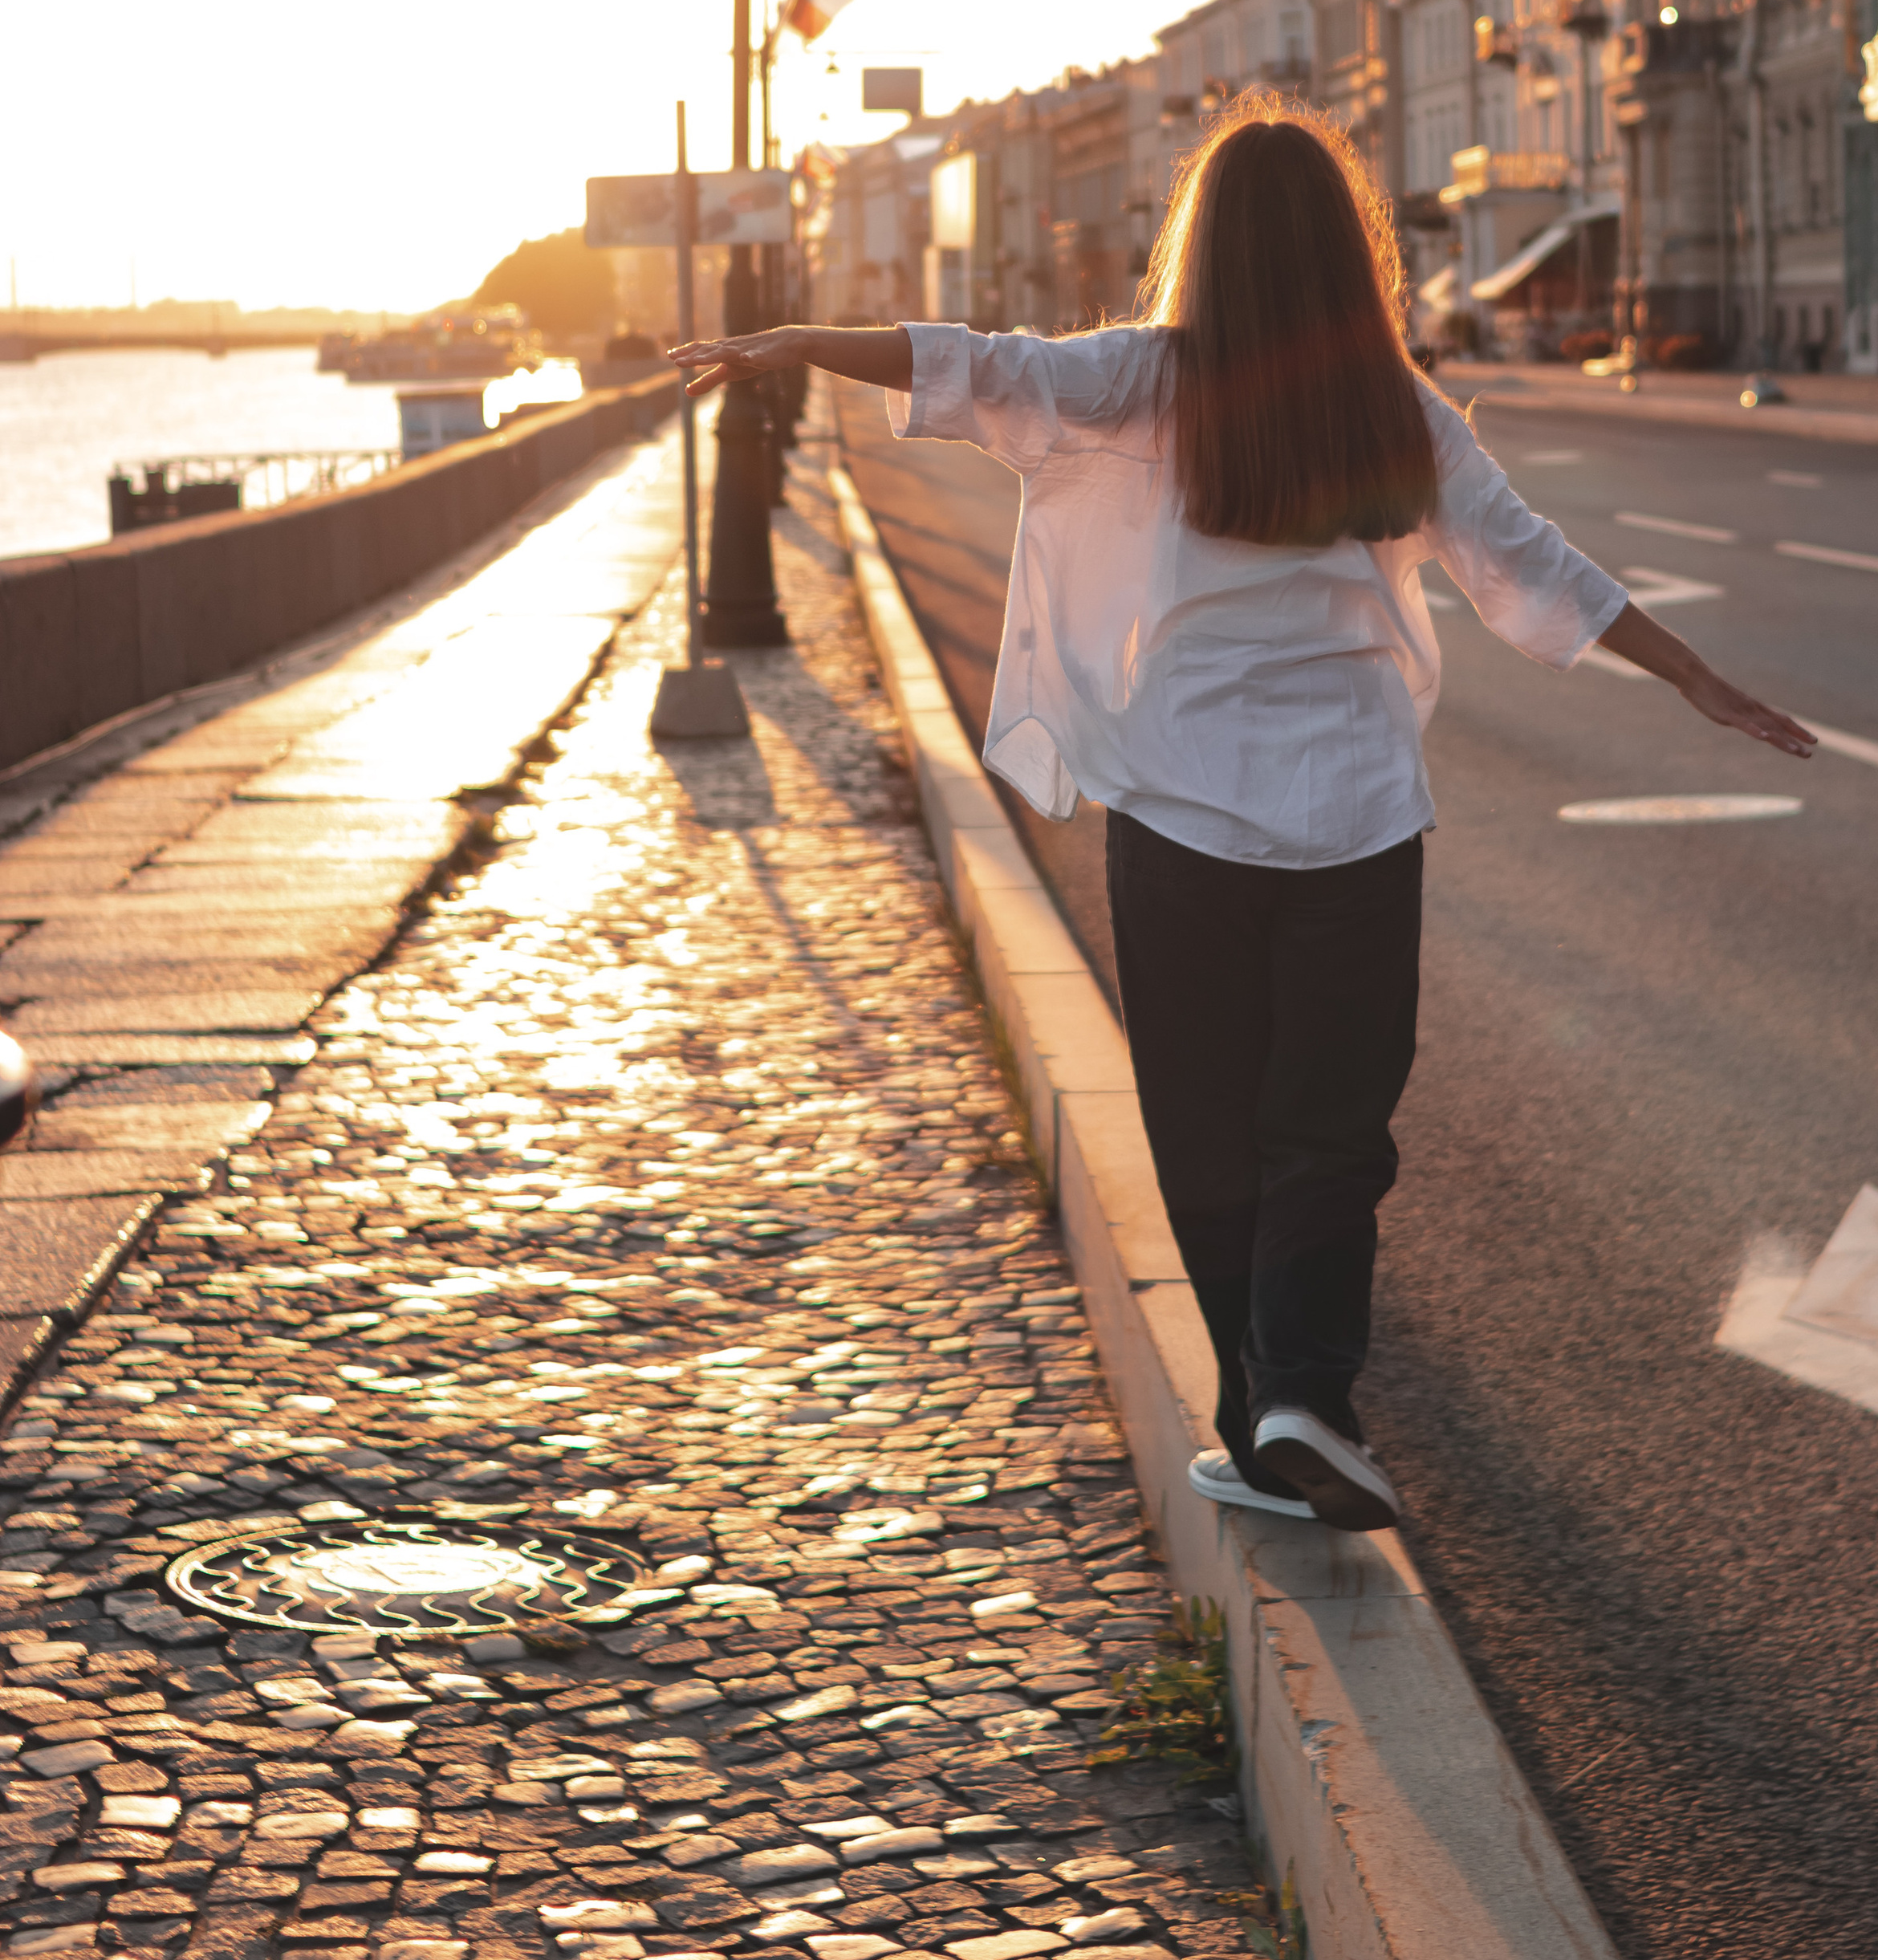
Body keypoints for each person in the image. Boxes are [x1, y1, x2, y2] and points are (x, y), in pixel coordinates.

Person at [672, 100, 1813, 1533]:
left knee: (1207, 1128)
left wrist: (800, 343)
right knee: (1330, 1130)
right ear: (1347, 251)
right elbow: (1534, 564)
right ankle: (1303, 1401)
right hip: (1360, 816)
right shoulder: (1393, 408)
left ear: (1201, 245)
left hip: (1182, 816)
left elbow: (979, 363)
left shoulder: (1146, 377)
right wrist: (1694, 675)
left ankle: (1265, 1419)